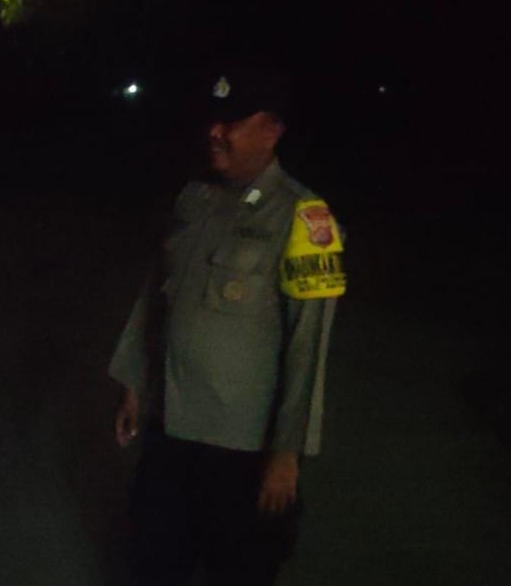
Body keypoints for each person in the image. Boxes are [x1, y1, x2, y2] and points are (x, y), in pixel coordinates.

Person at [108, 64, 345, 585]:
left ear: (271, 130)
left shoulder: (305, 218)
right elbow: (155, 296)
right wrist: (134, 381)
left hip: (239, 447)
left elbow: (308, 346)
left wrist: (287, 453)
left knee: (238, 568)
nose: (215, 131)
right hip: (170, 425)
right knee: (152, 560)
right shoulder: (194, 197)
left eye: (232, 121)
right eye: (213, 119)